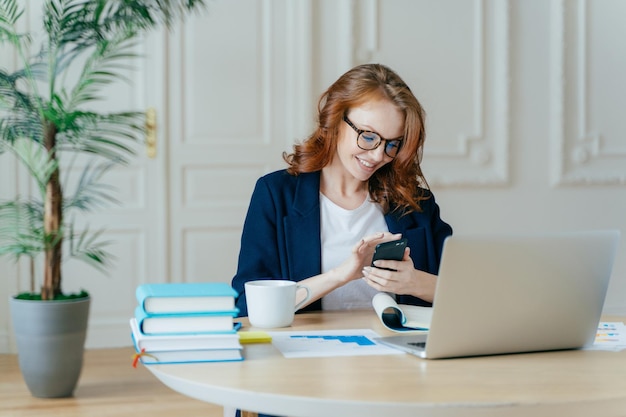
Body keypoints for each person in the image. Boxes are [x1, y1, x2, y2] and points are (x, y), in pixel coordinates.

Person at [231, 63, 452, 317]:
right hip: (307, 353)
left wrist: (415, 283)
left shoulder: (415, 202)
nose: (379, 155)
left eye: (392, 144)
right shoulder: (275, 194)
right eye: (368, 137)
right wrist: (341, 275)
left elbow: (469, 293)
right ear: (335, 119)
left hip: (402, 353)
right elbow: (248, 305)